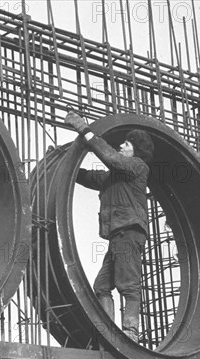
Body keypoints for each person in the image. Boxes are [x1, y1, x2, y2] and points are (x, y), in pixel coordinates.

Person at [65, 111, 154, 342]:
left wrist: (85, 130)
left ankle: (131, 333)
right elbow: (88, 177)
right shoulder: (114, 177)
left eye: (126, 144)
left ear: (136, 150)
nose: (121, 147)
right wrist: (61, 162)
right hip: (118, 237)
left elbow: (111, 158)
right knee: (101, 286)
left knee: (128, 285)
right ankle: (108, 333)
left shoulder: (137, 166)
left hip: (129, 233)